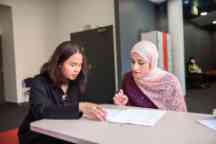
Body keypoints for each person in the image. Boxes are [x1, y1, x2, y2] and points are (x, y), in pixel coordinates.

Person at [18, 41, 106, 144]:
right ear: (59, 64)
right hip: (36, 134)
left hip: (63, 128)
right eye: (73, 65)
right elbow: (40, 111)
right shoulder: (39, 82)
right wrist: (79, 107)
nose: (77, 69)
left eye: (80, 65)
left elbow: (79, 109)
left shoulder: (75, 83)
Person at [113, 40, 187, 112]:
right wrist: (121, 105)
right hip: (132, 122)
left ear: (152, 62)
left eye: (141, 63)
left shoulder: (170, 82)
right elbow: (126, 106)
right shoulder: (128, 78)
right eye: (133, 62)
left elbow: (179, 114)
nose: (134, 68)